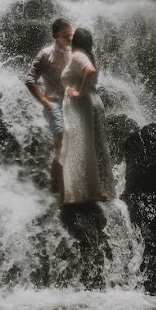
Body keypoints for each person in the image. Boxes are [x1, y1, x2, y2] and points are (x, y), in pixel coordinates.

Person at [59, 28, 116, 204]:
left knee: (81, 145)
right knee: (93, 145)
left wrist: (79, 92)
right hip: (92, 102)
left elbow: (89, 71)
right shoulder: (86, 55)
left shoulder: (78, 56)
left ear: (75, 41)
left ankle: (83, 192)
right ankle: (98, 189)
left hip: (82, 105)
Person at [25, 18, 73, 196]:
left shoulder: (73, 53)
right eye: (66, 36)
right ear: (55, 36)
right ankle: (56, 189)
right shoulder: (45, 54)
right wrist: (44, 101)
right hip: (53, 106)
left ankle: (62, 181)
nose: (70, 39)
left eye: (72, 36)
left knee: (68, 144)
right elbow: (29, 80)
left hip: (70, 106)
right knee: (62, 142)